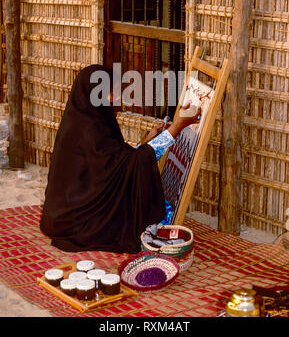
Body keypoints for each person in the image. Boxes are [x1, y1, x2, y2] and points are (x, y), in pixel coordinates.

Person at [40, 65, 201, 254]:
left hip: (62, 215)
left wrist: (148, 140)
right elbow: (125, 167)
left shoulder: (84, 119)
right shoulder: (88, 131)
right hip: (77, 221)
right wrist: (177, 128)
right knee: (134, 221)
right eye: (111, 92)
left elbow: (116, 163)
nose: (117, 97)